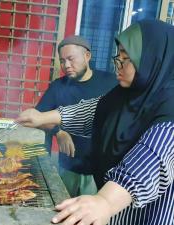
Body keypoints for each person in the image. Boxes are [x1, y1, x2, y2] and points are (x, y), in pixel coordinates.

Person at [17, 19, 174, 225]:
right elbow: (92, 111)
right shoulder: (124, 94)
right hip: (112, 212)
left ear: (152, 61)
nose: (117, 67)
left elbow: (155, 156)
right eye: (117, 58)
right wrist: (42, 117)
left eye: (125, 60)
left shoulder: (169, 106)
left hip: (148, 214)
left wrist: (105, 201)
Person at [35, 35, 116, 197]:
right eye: (63, 61)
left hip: (103, 171)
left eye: (71, 59)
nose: (66, 65)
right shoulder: (58, 86)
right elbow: (39, 117)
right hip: (69, 168)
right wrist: (59, 132)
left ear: (87, 56)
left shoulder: (111, 82)